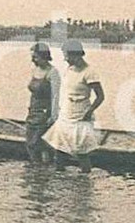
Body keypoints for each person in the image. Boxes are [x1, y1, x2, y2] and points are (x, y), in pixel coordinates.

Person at [45, 39, 105, 172]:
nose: (65, 59)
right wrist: (59, 109)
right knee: (58, 147)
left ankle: (85, 179)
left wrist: (89, 112)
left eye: (66, 55)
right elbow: (67, 91)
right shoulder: (70, 69)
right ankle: (59, 174)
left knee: (81, 150)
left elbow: (100, 96)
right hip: (67, 112)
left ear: (76, 54)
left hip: (81, 114)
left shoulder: (89, 72)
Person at [25, 42, 60, 163]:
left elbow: (55, 95)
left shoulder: (53, 73)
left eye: (35, 57)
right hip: (33, 111)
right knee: (30, 143)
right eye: (32, 57)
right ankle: (36, 171)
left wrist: (53, 115)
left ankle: (46, 167)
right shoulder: (34, 70)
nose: (33, 60)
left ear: (44, 56)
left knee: (39, 142)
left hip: (45, 112)